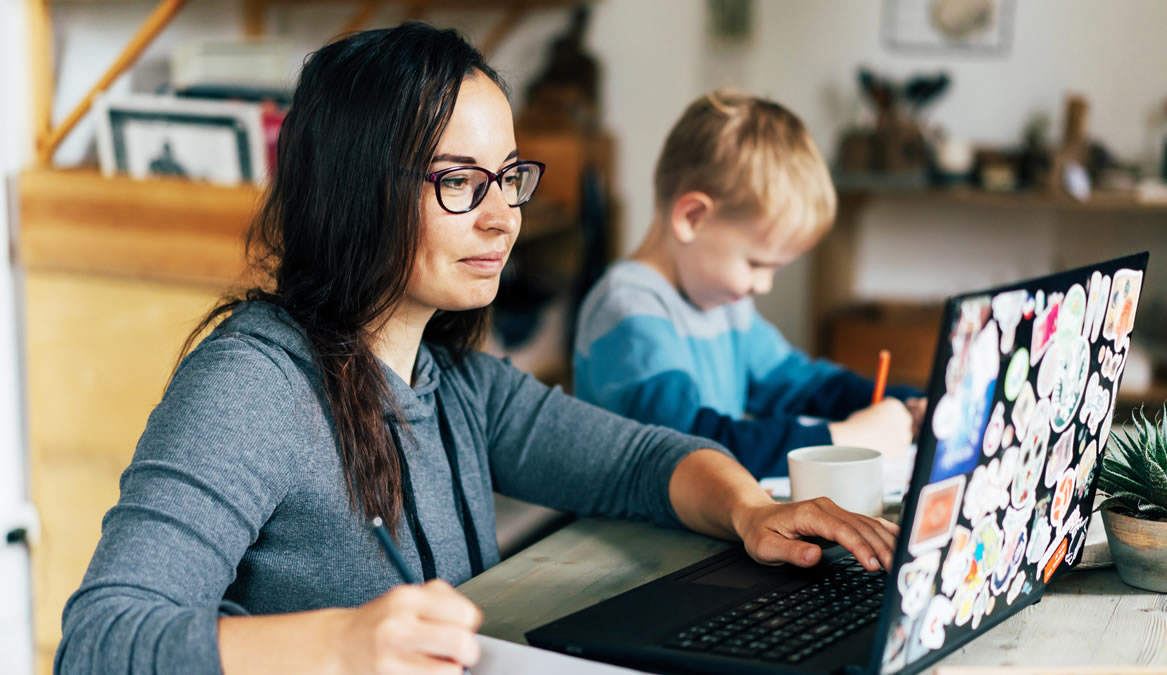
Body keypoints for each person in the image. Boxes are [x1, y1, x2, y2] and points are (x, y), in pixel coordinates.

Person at [56, 25, 898, 675]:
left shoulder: (454, 381)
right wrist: (343, 643)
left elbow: (639, 460)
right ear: (359, 189)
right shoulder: (250, 384)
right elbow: (99, 640)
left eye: (507, 178)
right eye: (459, 182)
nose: (503, 217)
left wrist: (750, 509)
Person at [573, 90, 926, 480]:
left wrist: (906, 403)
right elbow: (694, 446)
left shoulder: (723, 303)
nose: (764, 285)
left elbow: (800, 385)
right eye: (756, 263)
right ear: (692, 217)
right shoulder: (629, 310)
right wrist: (841, 439)